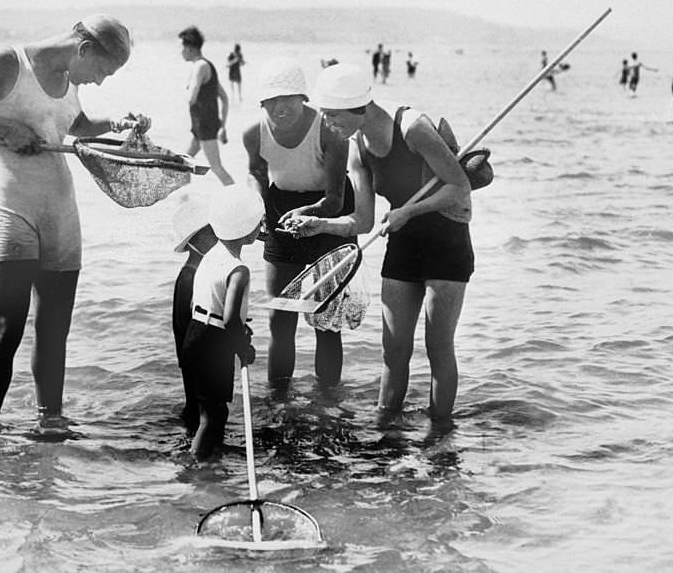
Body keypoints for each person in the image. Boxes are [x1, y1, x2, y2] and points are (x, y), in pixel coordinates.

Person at [0, 14, 148, 429]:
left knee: (54, 333)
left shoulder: (71, 80)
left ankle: (51, 425)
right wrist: (3, 128)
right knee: (6, 330)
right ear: (84, 50)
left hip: (61, 211)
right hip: (13, 207)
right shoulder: (7, 63)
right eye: (102, 70)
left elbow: (74, 126)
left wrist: (117, 125)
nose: (99, 81)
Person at [281, 63, 473, 426]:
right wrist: (318, 224)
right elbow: (363, 221)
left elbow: (458, 187)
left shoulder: (413, 128)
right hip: (404, 244)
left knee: (438, 348)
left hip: (446, 242)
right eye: (326, 116)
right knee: (394, 351)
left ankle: (439, 436)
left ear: (360, 108)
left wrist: (409, 211)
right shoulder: (358, 148)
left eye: (334, 116)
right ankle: (386, 431)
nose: (329, 125)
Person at [241, 57, 354, 387]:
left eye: (287, 99)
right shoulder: (253, 134)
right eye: (272, 101)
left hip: (328, 211)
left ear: (303, 99)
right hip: (281, 211)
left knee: (326, 320)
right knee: (280, 318)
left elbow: (335, 198)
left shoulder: (330, 132)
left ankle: (328, 399)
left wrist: (310, 215)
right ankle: (278, 400)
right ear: (262, 103)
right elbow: (257, 175)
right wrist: (258, 210)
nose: (280, 108)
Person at [182, 184, 261, 459]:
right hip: (214, 343)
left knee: (208, 407)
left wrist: (238, 325)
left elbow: (202, 301)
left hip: (195, 333)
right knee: (215, 413)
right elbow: (230, 320)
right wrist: (243, 348)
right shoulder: (239, 270)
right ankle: (196, 465)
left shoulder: (210, 256)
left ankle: (208, 459)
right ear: (248, 229)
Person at [170, 191, 218, 432]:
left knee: (204, 412)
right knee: (201, 412)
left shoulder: (202, 271)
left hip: (198, 354)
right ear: (195, 242)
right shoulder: (189, 277)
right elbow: (185, 326)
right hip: (195, 358)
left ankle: (199, 457)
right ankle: (199, 457)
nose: (218, 238)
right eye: (211, 233)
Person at [179, 26, 233, 185]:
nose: (181, 52)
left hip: (205, 126)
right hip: (201, 125)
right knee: (184, 163)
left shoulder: (200, 67)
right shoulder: (206, 65)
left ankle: (241, 200)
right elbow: (224, 98)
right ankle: (182, 199)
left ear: (189, 48)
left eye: (182, 47)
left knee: (216, 167)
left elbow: (192, 98)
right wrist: (222, 126)